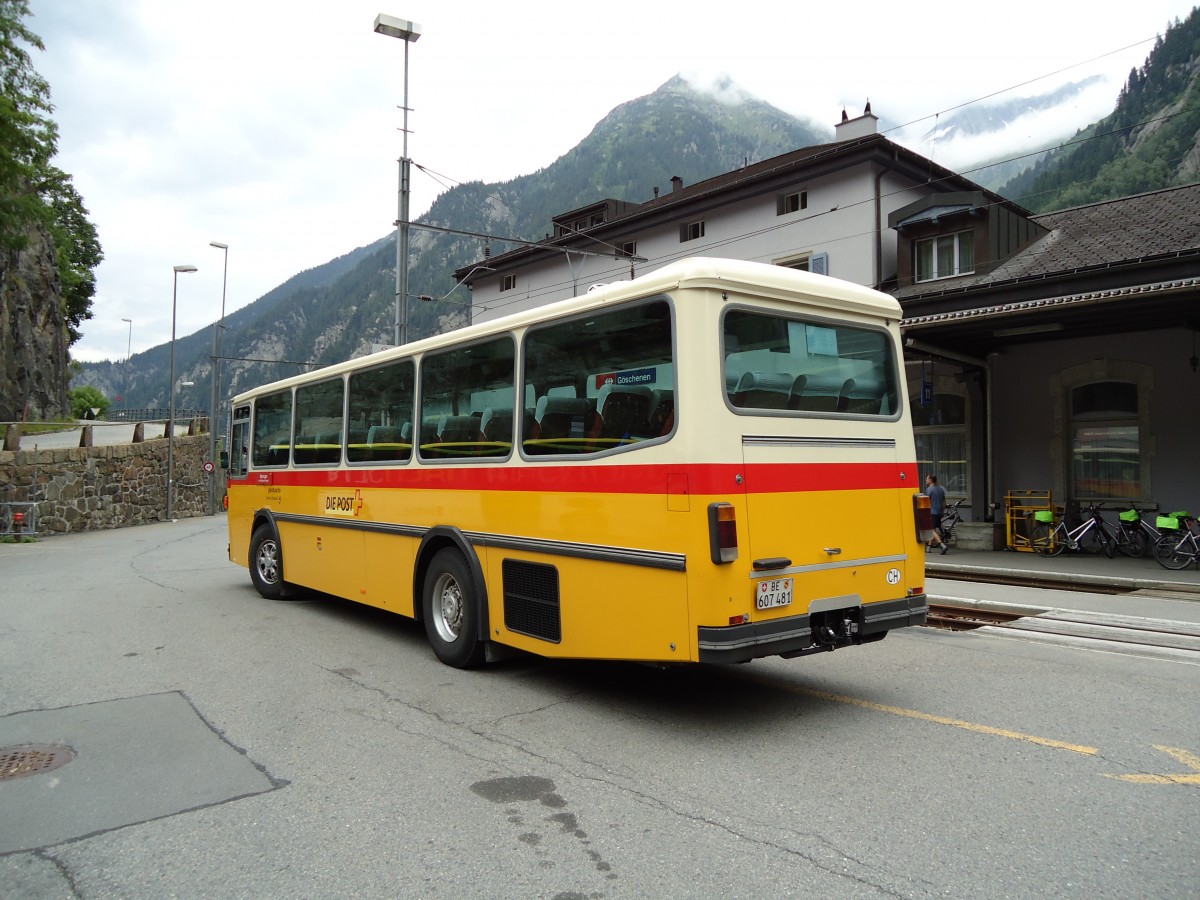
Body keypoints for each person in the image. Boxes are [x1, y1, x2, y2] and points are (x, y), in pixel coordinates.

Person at [925, 473, 949, 554]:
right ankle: (929, 547)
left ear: (931, 480)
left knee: (930, 530)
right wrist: (942, 512)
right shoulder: (941, 489)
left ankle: (942, 545)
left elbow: (927, 502)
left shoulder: (929, 489)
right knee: (933, 529)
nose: (926, 480)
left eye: (927, 479)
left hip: (932, 512)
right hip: (939, 512)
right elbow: (944, 502)